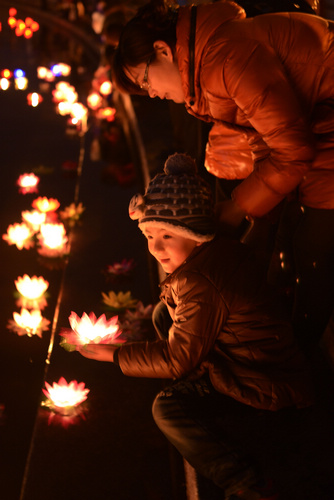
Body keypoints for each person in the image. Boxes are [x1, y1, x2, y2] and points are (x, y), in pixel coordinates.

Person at [79, 153, 316, 500]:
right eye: (148, 235)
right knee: (163, 315)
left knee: (168, 408)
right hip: (249, 358)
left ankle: (247, 482)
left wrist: (114, 356)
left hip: (265, 384)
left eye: (167, 236)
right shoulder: (214, 253)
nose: (155, 247)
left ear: (196, 234)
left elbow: (177, 358)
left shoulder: (199, 282)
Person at [109, 0, 334, 352]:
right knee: (274, 235)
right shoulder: (207, 66)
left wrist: (239, 205)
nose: (151, 93)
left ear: (163, 51)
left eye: (145, 80)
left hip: (325, 130)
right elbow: (265, 137)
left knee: (313, 248)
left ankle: (293, 364)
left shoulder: (226, 57)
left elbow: (292, 150)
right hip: (318, 128)